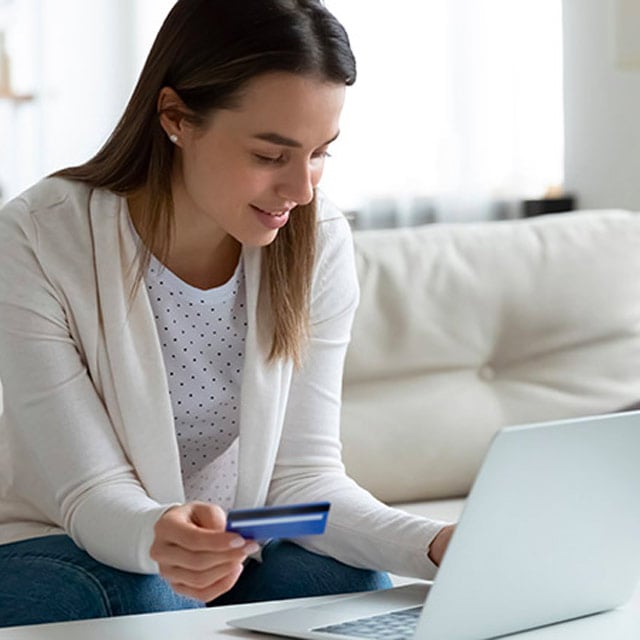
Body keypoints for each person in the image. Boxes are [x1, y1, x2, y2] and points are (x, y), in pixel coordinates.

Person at [0, 0, 455, 627]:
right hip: (53, 539)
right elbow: (87, 492)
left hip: (232, 548)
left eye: (321, 152)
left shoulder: (318, 243)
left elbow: (305, 483)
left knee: (348, 579)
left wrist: (432, 544)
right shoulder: (38, 238)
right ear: (176, 118)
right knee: (138, 597)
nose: (302, 190)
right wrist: (163, 536)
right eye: (271, 155)